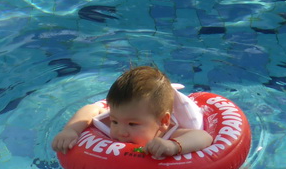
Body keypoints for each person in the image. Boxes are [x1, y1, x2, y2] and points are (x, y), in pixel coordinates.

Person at [51, 66, 213, 160]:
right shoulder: (123, 118)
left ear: (163, 122)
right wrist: (70, 130)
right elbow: (91, 109)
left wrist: (173, 145)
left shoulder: (170, 132)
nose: (120, 132)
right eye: (114, 121)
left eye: (132, 124)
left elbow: (204, 137)